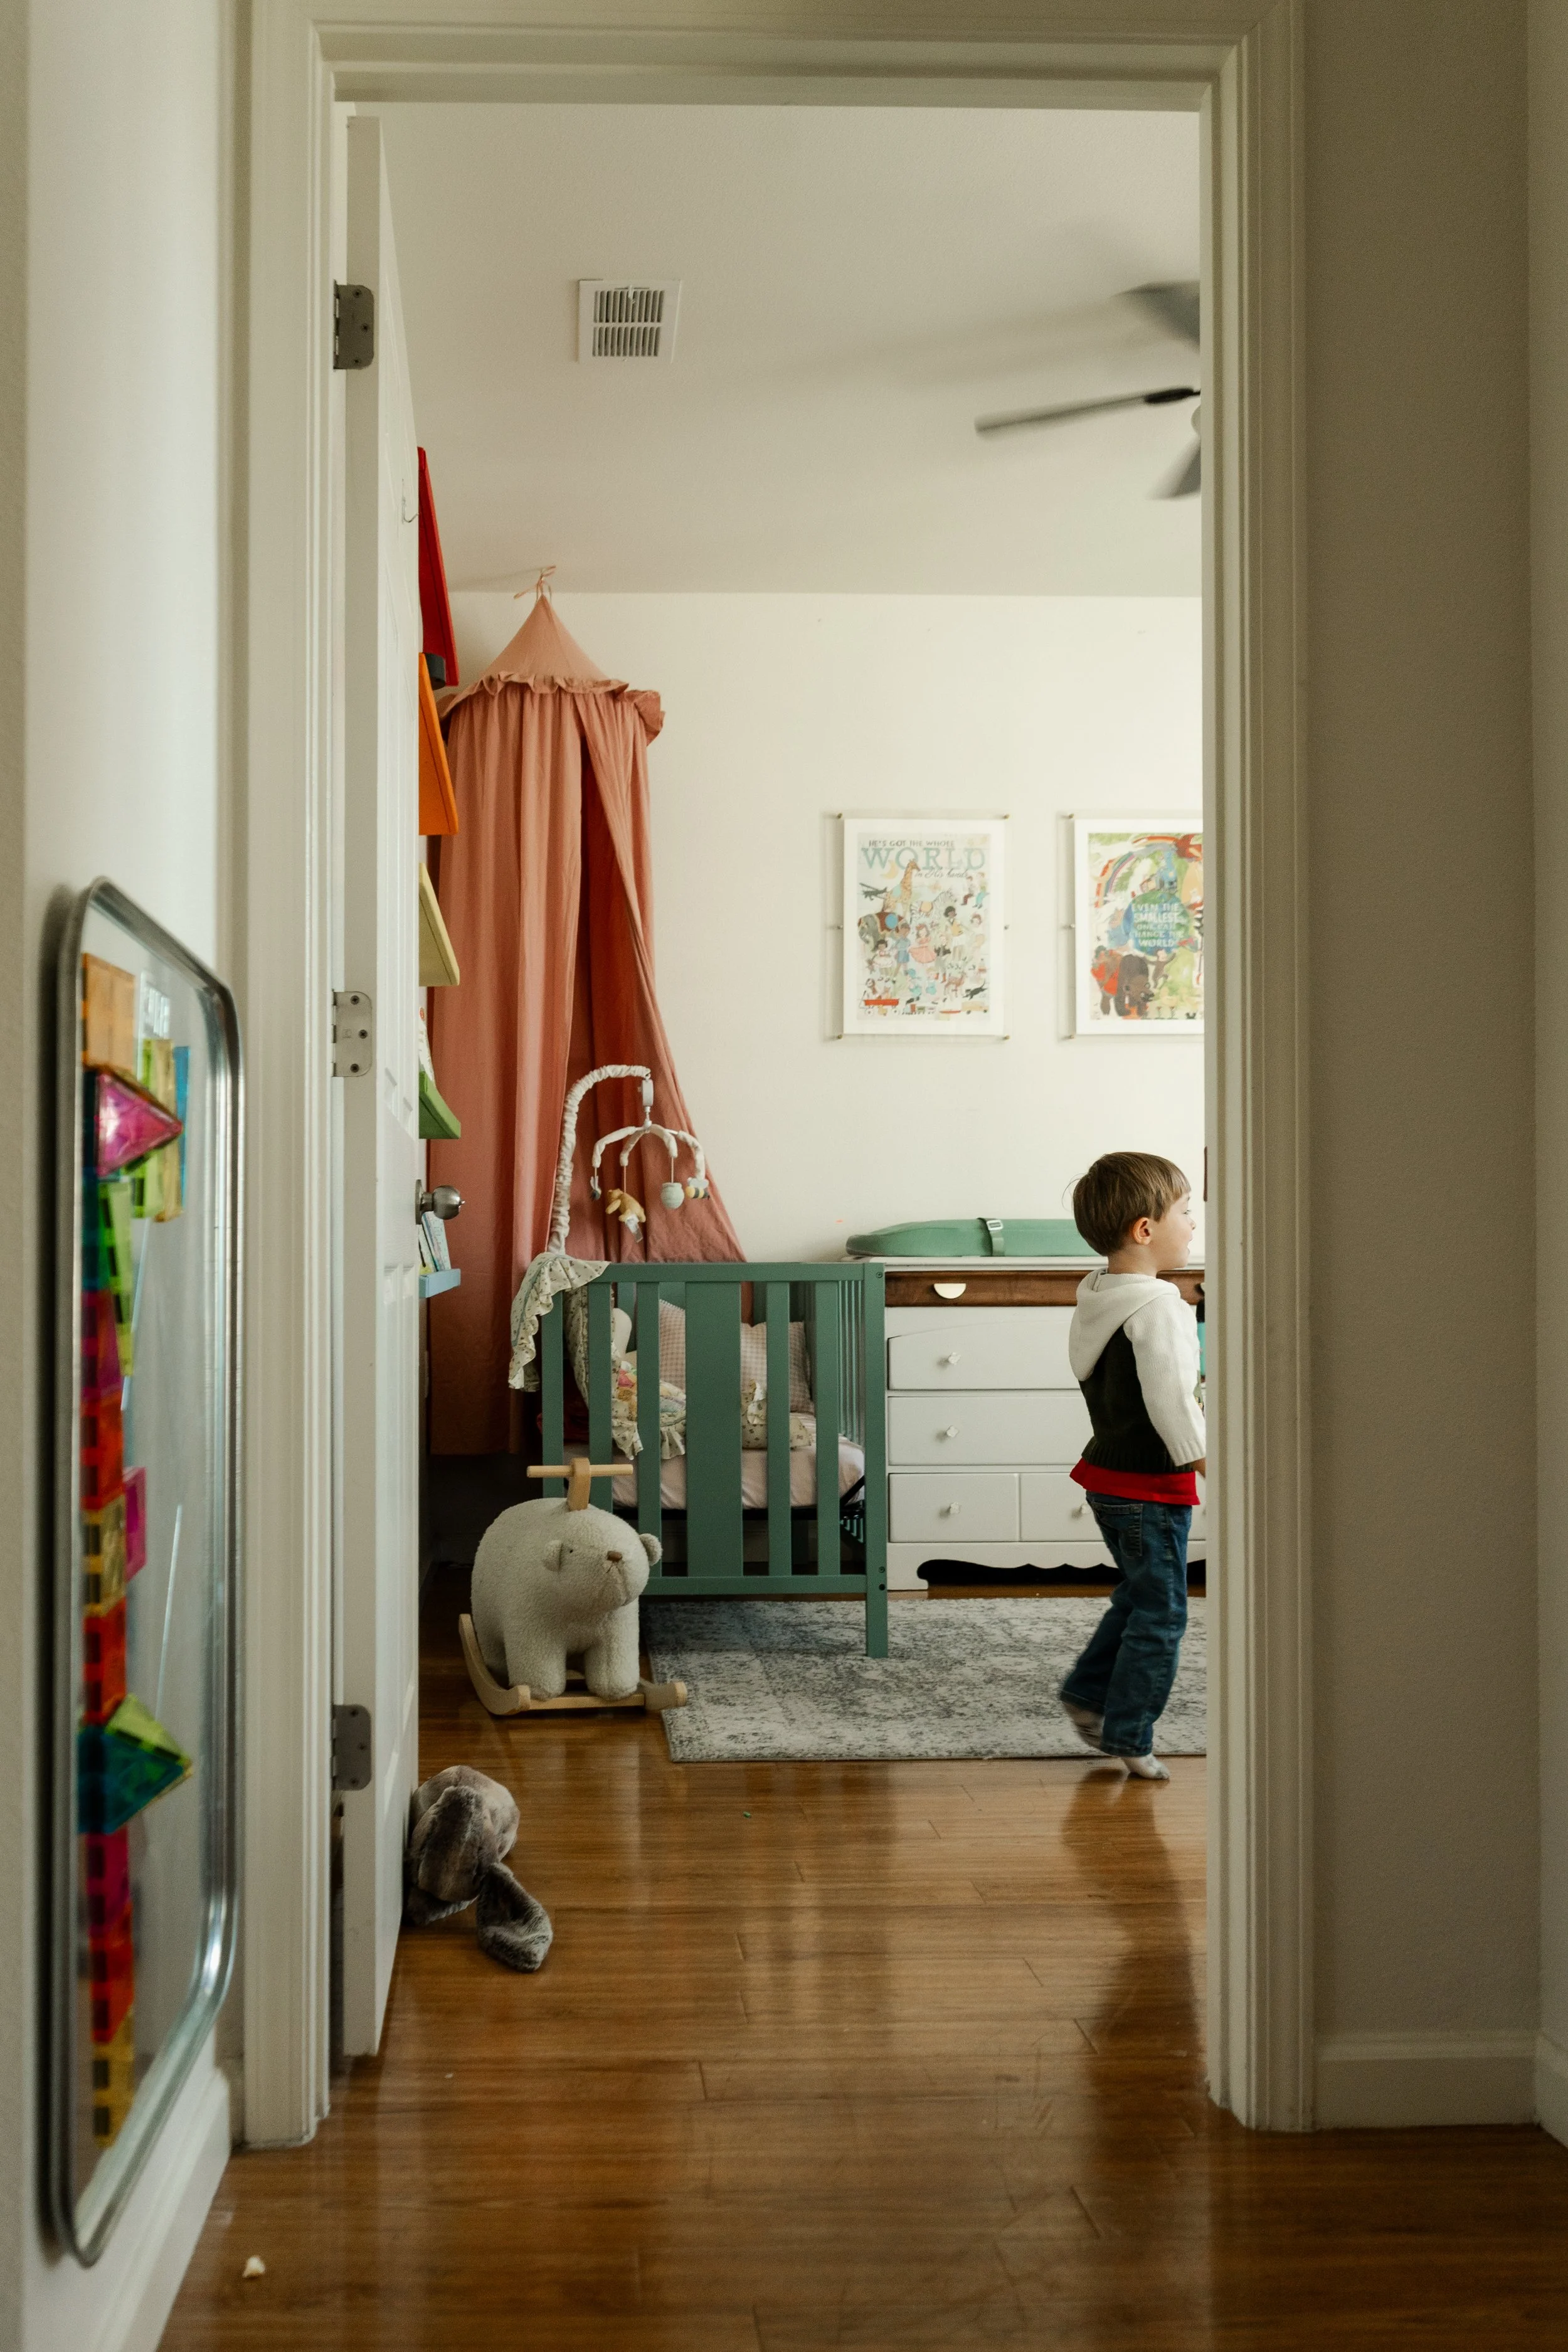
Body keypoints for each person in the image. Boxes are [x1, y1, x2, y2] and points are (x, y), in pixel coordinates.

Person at [1058, 1152, 1205, 1781]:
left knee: (1140, 1598)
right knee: (1163, 1612)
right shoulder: (1159, 1307)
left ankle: (1088, 1696)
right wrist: (1203, 1459)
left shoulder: (1098, 1293)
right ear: (1145, 1229)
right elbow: (1172, 1399)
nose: (1194, 1225)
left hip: (1107, 1481)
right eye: (1185, 1212)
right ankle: (1128, 1732)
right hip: (1150, 1486)